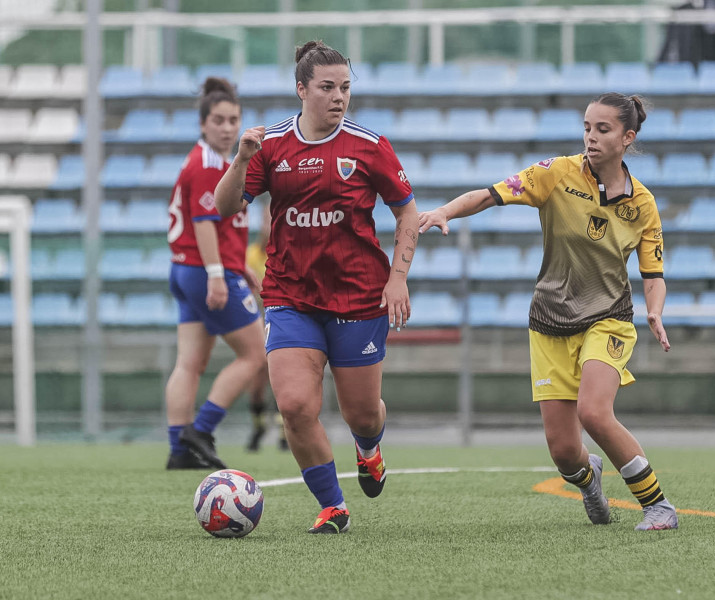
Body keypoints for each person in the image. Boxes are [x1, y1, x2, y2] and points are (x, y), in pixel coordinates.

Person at [418, 93, 678, 531]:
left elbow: (653, 272)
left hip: (608, 319)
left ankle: (658, 506)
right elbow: (489, 195)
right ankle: (588, 478)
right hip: (549, 323)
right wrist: (446, 210)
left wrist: (654, 310)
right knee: (564, 453)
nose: (591, 137)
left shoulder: (643, 205)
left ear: (627, 137)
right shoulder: (555, 174)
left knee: (594, 412)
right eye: (587, 127)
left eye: (603, 129)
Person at [214, 41, 419, 534]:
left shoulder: (370, 146)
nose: (339, 97)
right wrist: (241, 161)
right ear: (301, 89)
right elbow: (224, 207)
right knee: (295, 405)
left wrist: (398, 279)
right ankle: (333, 505)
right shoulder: (273, 145)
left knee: (362, 415)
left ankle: (368, 448)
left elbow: (407, 211)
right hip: (290, 296)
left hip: (359, 296)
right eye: (327, 87)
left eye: (345, 87)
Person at [165, 77, 267, 470]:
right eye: (219, 121)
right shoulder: (209, 164)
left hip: (184, 269)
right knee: (256, 354)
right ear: (204, 124)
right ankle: (201, 430)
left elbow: (214, 225)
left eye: (234, 120)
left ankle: (178, 450)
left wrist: (237, 262)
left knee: (189, 363)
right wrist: (217, 273)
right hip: (204, 270)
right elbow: (205, 223)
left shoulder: (208, 160)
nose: (227, 128)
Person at [244, 198, 288, 452]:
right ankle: (259, 424)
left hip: (283, 318)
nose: (266, 224)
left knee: (285, 373)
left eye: (269, 218)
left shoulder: (289, 250)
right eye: (263, 219)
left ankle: (285, 429)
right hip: (260, 321)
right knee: (258, 372)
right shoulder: (252, 254)